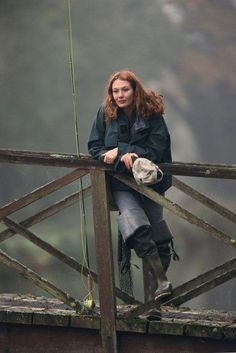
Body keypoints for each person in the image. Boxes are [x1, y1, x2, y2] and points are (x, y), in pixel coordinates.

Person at [88, 70, 173, 301]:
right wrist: (112, 155)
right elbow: (94, 147)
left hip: (152, 183)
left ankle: (155, 302)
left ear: (135, 90)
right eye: (115, 91)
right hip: (122, 183)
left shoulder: (152, 113)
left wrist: (125, 152)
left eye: (125, 89)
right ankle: (162, 283)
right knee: (136, 228)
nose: (120, 95)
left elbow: (157, 150)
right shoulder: (105, 113)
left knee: (160, 236)